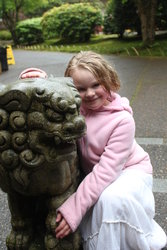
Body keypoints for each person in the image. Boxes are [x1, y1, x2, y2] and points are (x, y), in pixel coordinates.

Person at [20, 51, 167, 250]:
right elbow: (52, 94)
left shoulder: (122, 121)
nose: (89, 93)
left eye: (96, 85)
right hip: (97, 176)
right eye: (80, 88)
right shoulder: (75, 109)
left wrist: (74, 209)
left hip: (129, 171)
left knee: (111, 200)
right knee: (102, 199)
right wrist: (38, 78)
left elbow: (106, 172)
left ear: (109, 80)